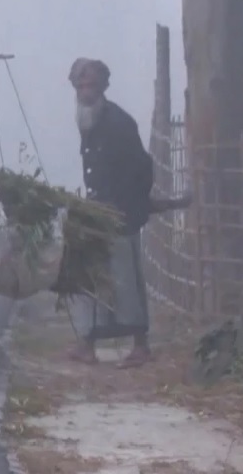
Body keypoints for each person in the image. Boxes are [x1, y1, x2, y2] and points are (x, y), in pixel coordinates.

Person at [66, 57, 156, 369]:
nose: (84, 90)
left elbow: (143, 169)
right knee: (88, 274)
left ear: (103, 87)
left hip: (119, 214)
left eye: (89, 85)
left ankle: (140, 346)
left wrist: (126, 207)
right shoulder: (88, 119)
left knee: (124, 279)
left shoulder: (119, 122)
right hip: (95, 212)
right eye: (80, 85)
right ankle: (86, 344)